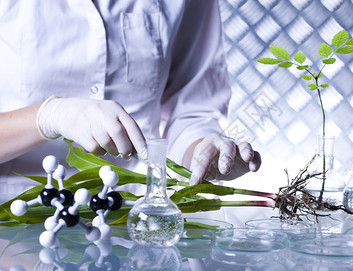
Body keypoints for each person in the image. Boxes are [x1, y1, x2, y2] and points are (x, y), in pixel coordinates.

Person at [0, 0, 261, 198]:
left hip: (131, 219)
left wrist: (205, 154)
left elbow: (192, 107)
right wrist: (48, 117)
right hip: (16, 217)